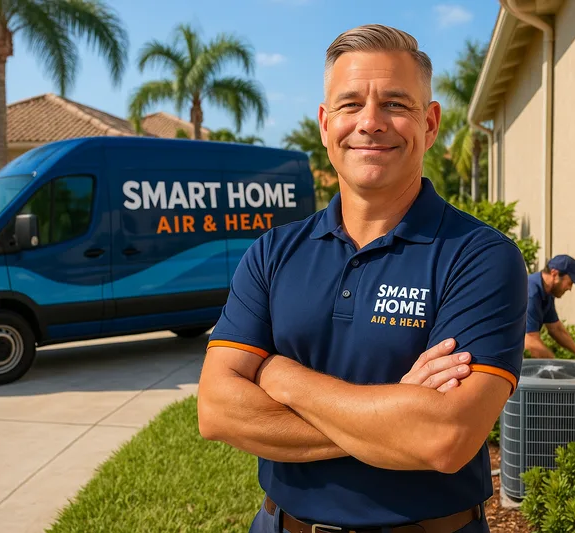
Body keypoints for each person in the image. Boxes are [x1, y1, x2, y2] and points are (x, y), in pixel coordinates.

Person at [197, 24, 528, 533]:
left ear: (431, 122)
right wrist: (393, 416)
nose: (370, 123)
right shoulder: (272, 252)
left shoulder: (482, 257)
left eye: (396, 103)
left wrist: (279, 376)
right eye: (350, 105)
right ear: (326, 123)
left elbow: (445, 437)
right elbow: (217, 409)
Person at [524, 254, 575, 362]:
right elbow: (530, 341)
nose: (570, 288)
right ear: (555, 273)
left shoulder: (547, 293)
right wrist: (555, 367)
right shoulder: (531, 293)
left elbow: (556, 329)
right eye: (570, 282)